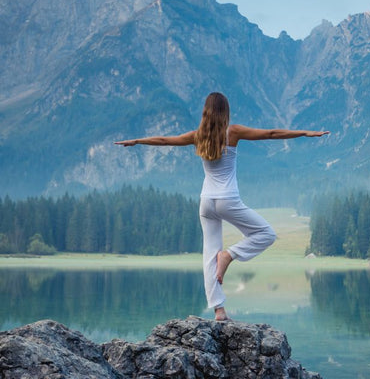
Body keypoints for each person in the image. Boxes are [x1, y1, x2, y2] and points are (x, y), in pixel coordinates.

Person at [115, 92, 329, 321]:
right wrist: (305, 133)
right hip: (228, 200)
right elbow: (271, 133)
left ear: (205, 112)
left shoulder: (198, 136)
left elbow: (165, 140)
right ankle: (229, 255)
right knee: (266, 233)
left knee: (209, 254)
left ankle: (219, 310)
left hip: (206, 202)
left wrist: (137, 141)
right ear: (225, 112)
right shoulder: (233, 132)